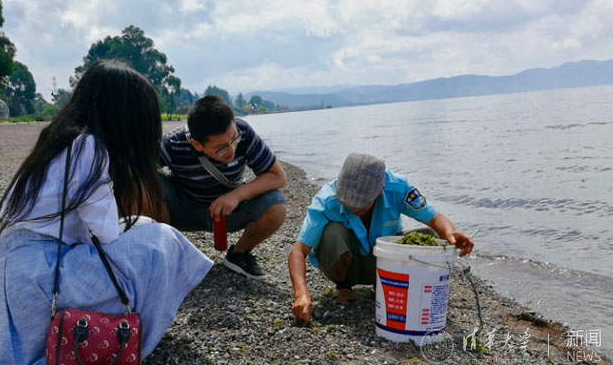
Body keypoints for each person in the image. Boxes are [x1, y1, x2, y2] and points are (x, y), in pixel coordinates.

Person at [0, 60, 212, 364]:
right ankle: (130, 339)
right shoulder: (89, 148)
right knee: (160, 240)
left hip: (24, 281)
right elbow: (105, 234)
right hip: (45, 277)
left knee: (141, 230)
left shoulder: (60, 141)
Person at [288, 152, 474, 322]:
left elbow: (435, 219)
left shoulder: (399, 188)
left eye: (361, 204)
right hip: (345, 266)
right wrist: (301, 294)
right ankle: (343, 287)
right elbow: (298, 251)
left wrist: (450, 234)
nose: (353, 208)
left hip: (386, 264)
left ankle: (387, 287)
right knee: (332, 233)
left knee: (429, 237)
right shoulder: (326, 200)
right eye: (348, 201)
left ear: (380, 190)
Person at [157, 95, 287, 279]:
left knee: (276, 205)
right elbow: (136, 175)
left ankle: (239, 254)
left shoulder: (243, 132)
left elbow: (278, 177)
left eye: (234, 139)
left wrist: (237, 195)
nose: (231, 149)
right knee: (147, 185)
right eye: (221, 148)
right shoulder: (172, 143)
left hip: (228, 212)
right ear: (196, 144)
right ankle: (163, 253)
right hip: (183, 208)